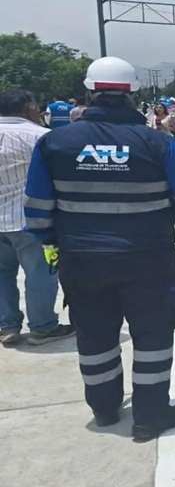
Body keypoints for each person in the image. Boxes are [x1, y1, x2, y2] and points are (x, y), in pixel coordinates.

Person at [23, 56, 175, 441]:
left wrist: (56, 242)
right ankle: (150, 414)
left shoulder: (54, 143)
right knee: (153, 335)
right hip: (147, 258)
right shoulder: (157, 142)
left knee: (94, 336)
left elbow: (37, 212)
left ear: (89, 91)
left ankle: (104, 410)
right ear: (133, 93)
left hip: (81, 259)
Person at [0, 90, 75, 346]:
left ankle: (7, 325)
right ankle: (42, 326)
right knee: (40, 273)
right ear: (30, 108)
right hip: (29, 220)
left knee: (1, 275)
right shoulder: (41, 137)